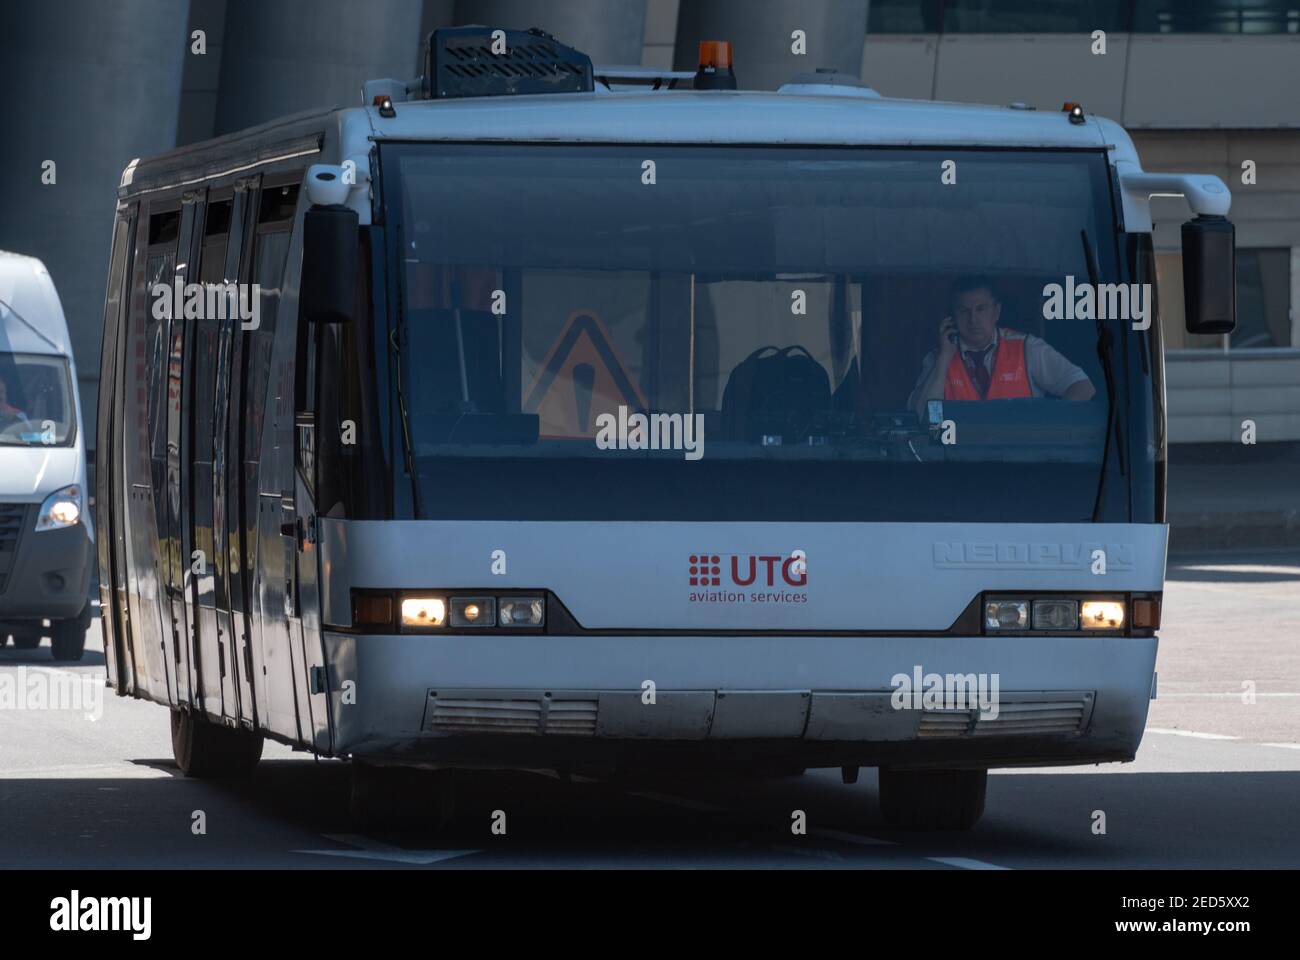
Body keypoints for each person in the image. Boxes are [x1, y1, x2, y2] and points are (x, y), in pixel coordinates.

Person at [910, 276, 1095, 419]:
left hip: (1021, 459)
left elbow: (1083, 387)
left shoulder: (1026, 348)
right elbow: (923, 419)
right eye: (963, 311)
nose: (973, 319)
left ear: (996, 312)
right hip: (958, 458)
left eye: (980, 309)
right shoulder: (939, 358)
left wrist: (1048, 424)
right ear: (952, 318)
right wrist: (944, 359)